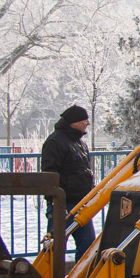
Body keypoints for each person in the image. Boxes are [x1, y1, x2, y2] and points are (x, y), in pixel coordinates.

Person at [40, 105, 98, 261]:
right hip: (63, 205)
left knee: (87, 244)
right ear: (74, 122)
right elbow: (49, 174)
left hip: (81, 204)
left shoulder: (79, 142)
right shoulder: (55, 142)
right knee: (56, 246)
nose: (88, 122)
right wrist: (55, 198)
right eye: (84, 119)